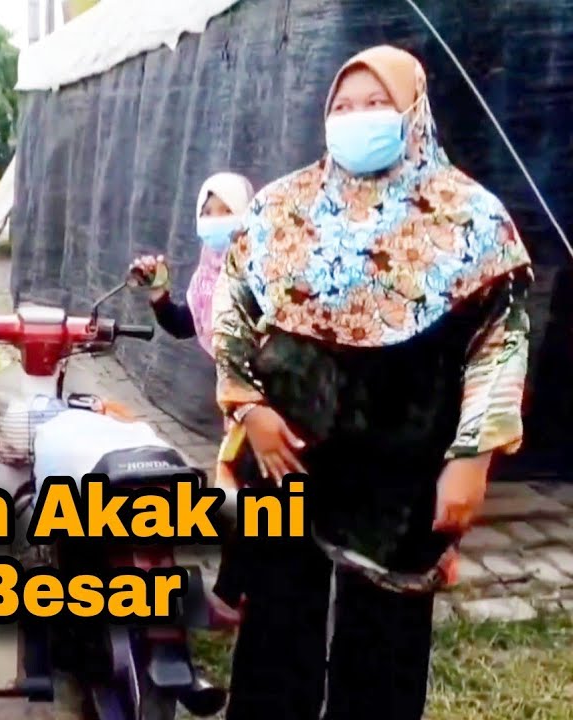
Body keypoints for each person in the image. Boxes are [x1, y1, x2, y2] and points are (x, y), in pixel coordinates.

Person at [211, 45, 532, 719]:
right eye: (343, 107)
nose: (357, 118)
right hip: (287, 452)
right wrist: (248, 408)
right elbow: (232, 307)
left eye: (377, 104)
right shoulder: (281, 207)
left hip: (400, 466)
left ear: (414, 113)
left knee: (385, 640)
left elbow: (500, 341)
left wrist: (471, 458)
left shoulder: (469, 218)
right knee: (276, 623)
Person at [128, 172, 255, 355]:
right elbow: (181, 326)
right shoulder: (207, 276)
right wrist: (158, 292)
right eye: (207, 212)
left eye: (227, 211)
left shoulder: (262, 274)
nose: (215, 220)